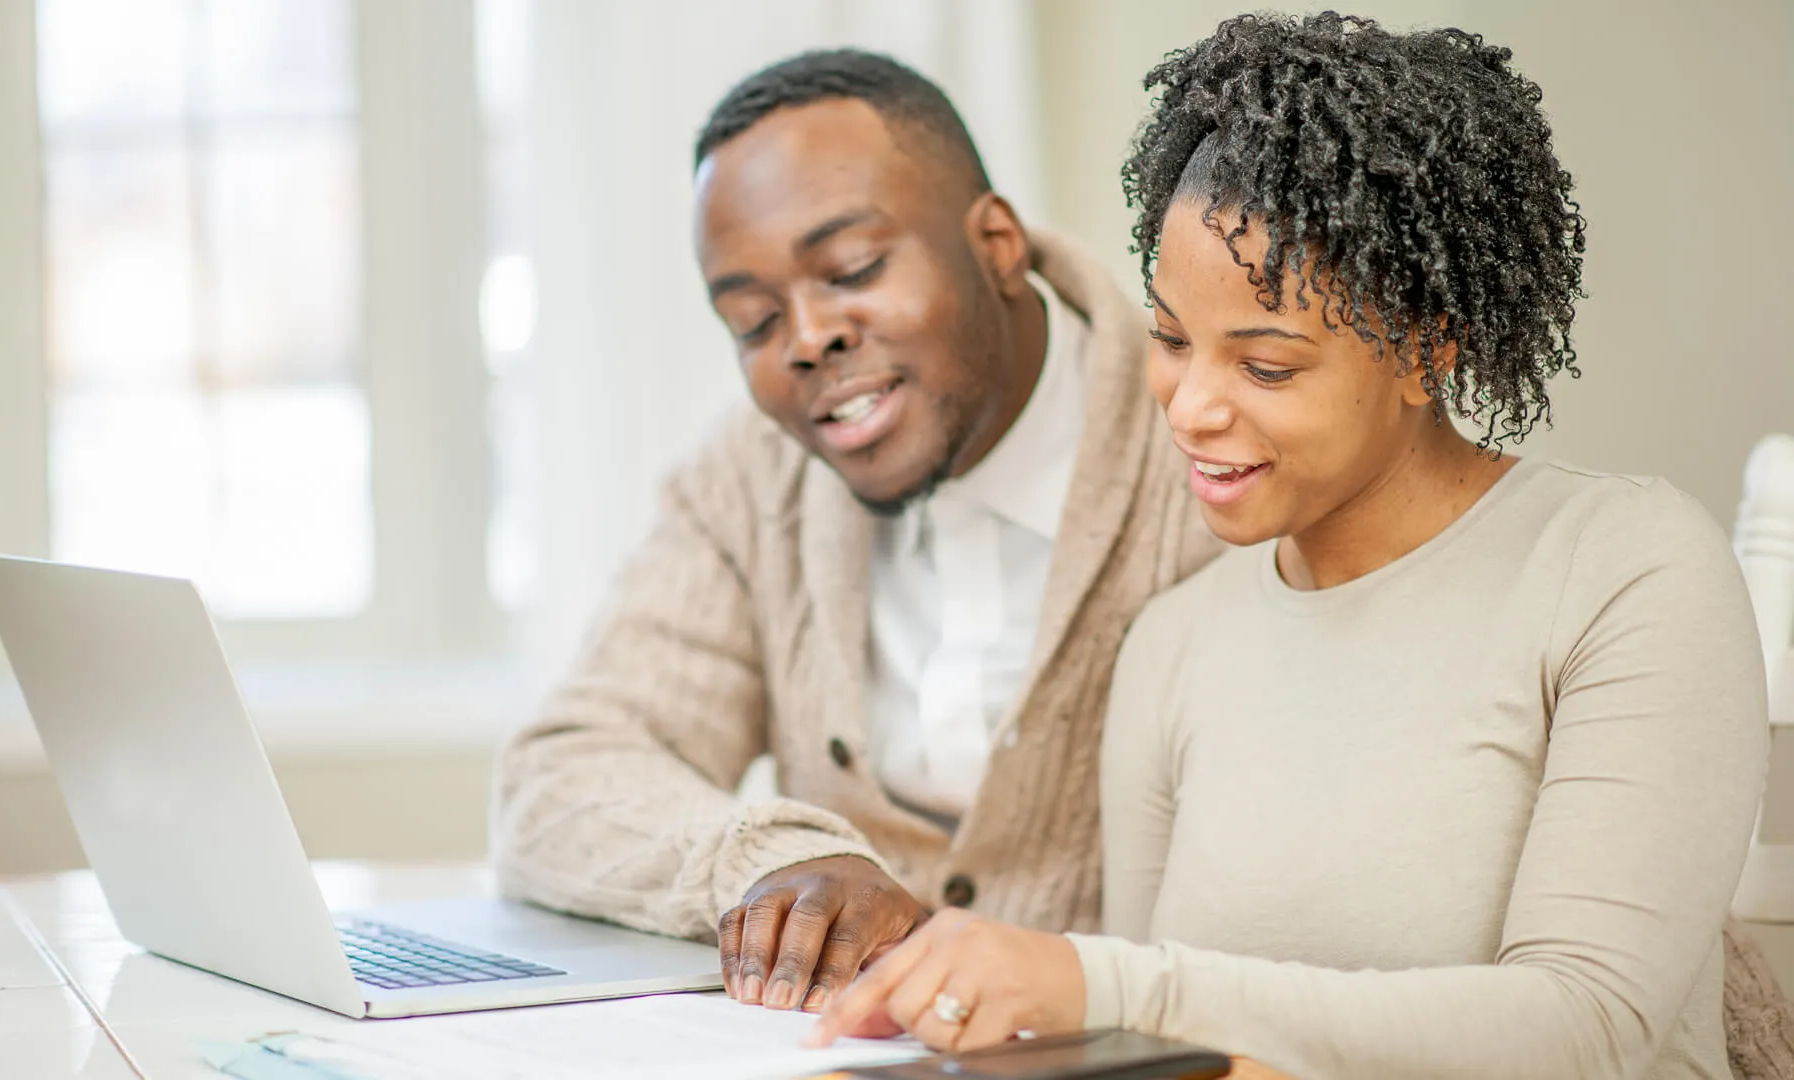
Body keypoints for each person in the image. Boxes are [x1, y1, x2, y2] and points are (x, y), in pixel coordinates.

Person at [809, 14, 1774, 1078]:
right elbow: (1160, 1058)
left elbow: (1587, 1031)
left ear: (1425, 349)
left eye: (1266, 367)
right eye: (1172, 341)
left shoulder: (1625, 571)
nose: (1191, 409)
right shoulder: (1176, 643)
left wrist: (1104, 981)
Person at [490, 49, 1219, 1015]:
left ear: (997, 243)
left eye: (853, 269)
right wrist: (787, 859)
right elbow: (560, 777)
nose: (806, 339)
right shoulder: (756, 475)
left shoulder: (1209, 447)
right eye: (753, 321)